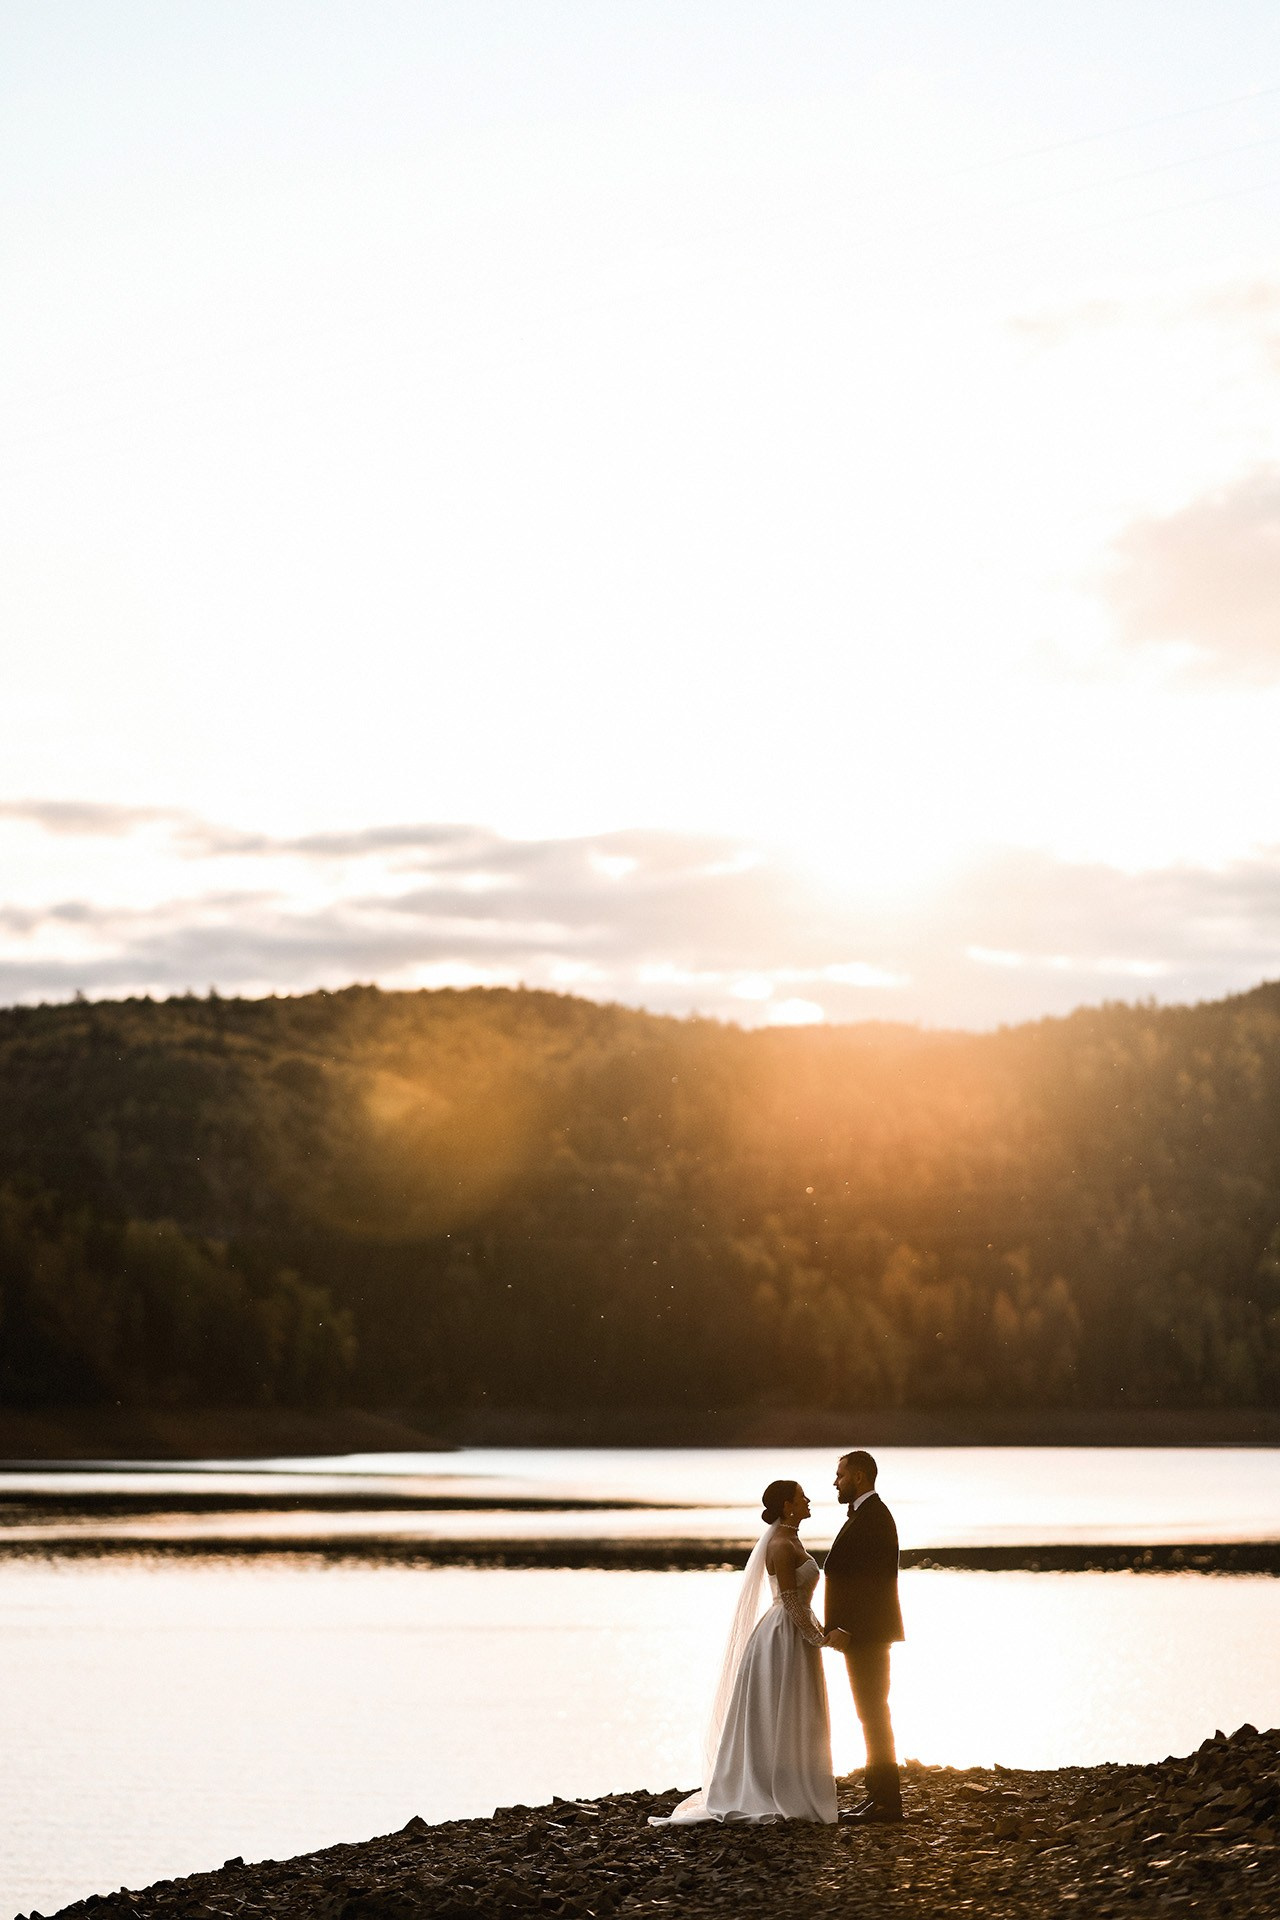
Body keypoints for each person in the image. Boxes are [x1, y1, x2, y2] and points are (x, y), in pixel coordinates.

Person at [650, 1479, 839, 1824]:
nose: (809, 1499)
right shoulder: (781, 1544)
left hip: (794, 1630)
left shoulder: (791, 1538)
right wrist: (818, 1637)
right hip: (783, 1633)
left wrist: (817, 1633)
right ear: (787, 1505)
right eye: (801, 1496)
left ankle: (792, 1777)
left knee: (794, 1706)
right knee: (781, 1706)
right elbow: (791, 1599)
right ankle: (773, 1786)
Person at [823, 1449, 905, 1823]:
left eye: (839, 1475)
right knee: (869, 1713)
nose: (835, 1482)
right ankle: (878, 1796)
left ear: (858, 1476)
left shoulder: (875, 1517)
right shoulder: (865, 1515)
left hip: (867, 1634)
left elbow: (876, 1582)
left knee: (874, 1713)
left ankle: (887, 1801)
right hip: (862, 1635)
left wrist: (850, 1628)